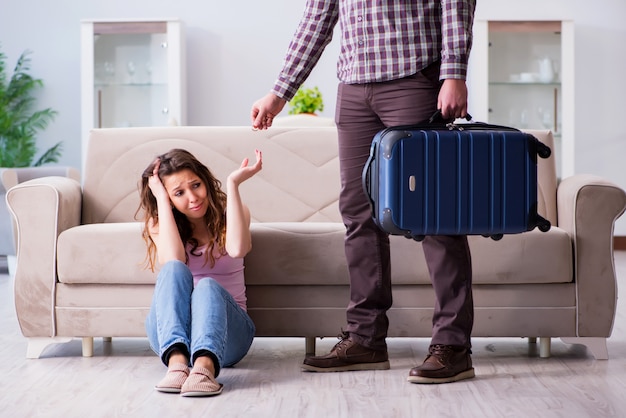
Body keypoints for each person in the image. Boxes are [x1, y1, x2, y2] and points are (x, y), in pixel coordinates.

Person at [251, 1, 476, 384]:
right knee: (358, 212)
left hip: (414, 79)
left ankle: (453, 347)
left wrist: (453, 72)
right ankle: (366, 338)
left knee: (435, 212)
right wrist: (279, 93)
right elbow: (316, 21)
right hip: (354, 87)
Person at [137, 148, 262, 396]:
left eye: (196, 185)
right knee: (173, 268)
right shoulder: (158, 223)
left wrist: (233, 184)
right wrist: (162, 199)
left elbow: (238, 248)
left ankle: (204, 368)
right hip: (172, 336)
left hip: (228, 336)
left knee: (206, 285)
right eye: (179, 193)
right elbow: (174, 260)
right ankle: (177, 365)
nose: (193, 198)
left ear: (205, 180)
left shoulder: (233, 212)